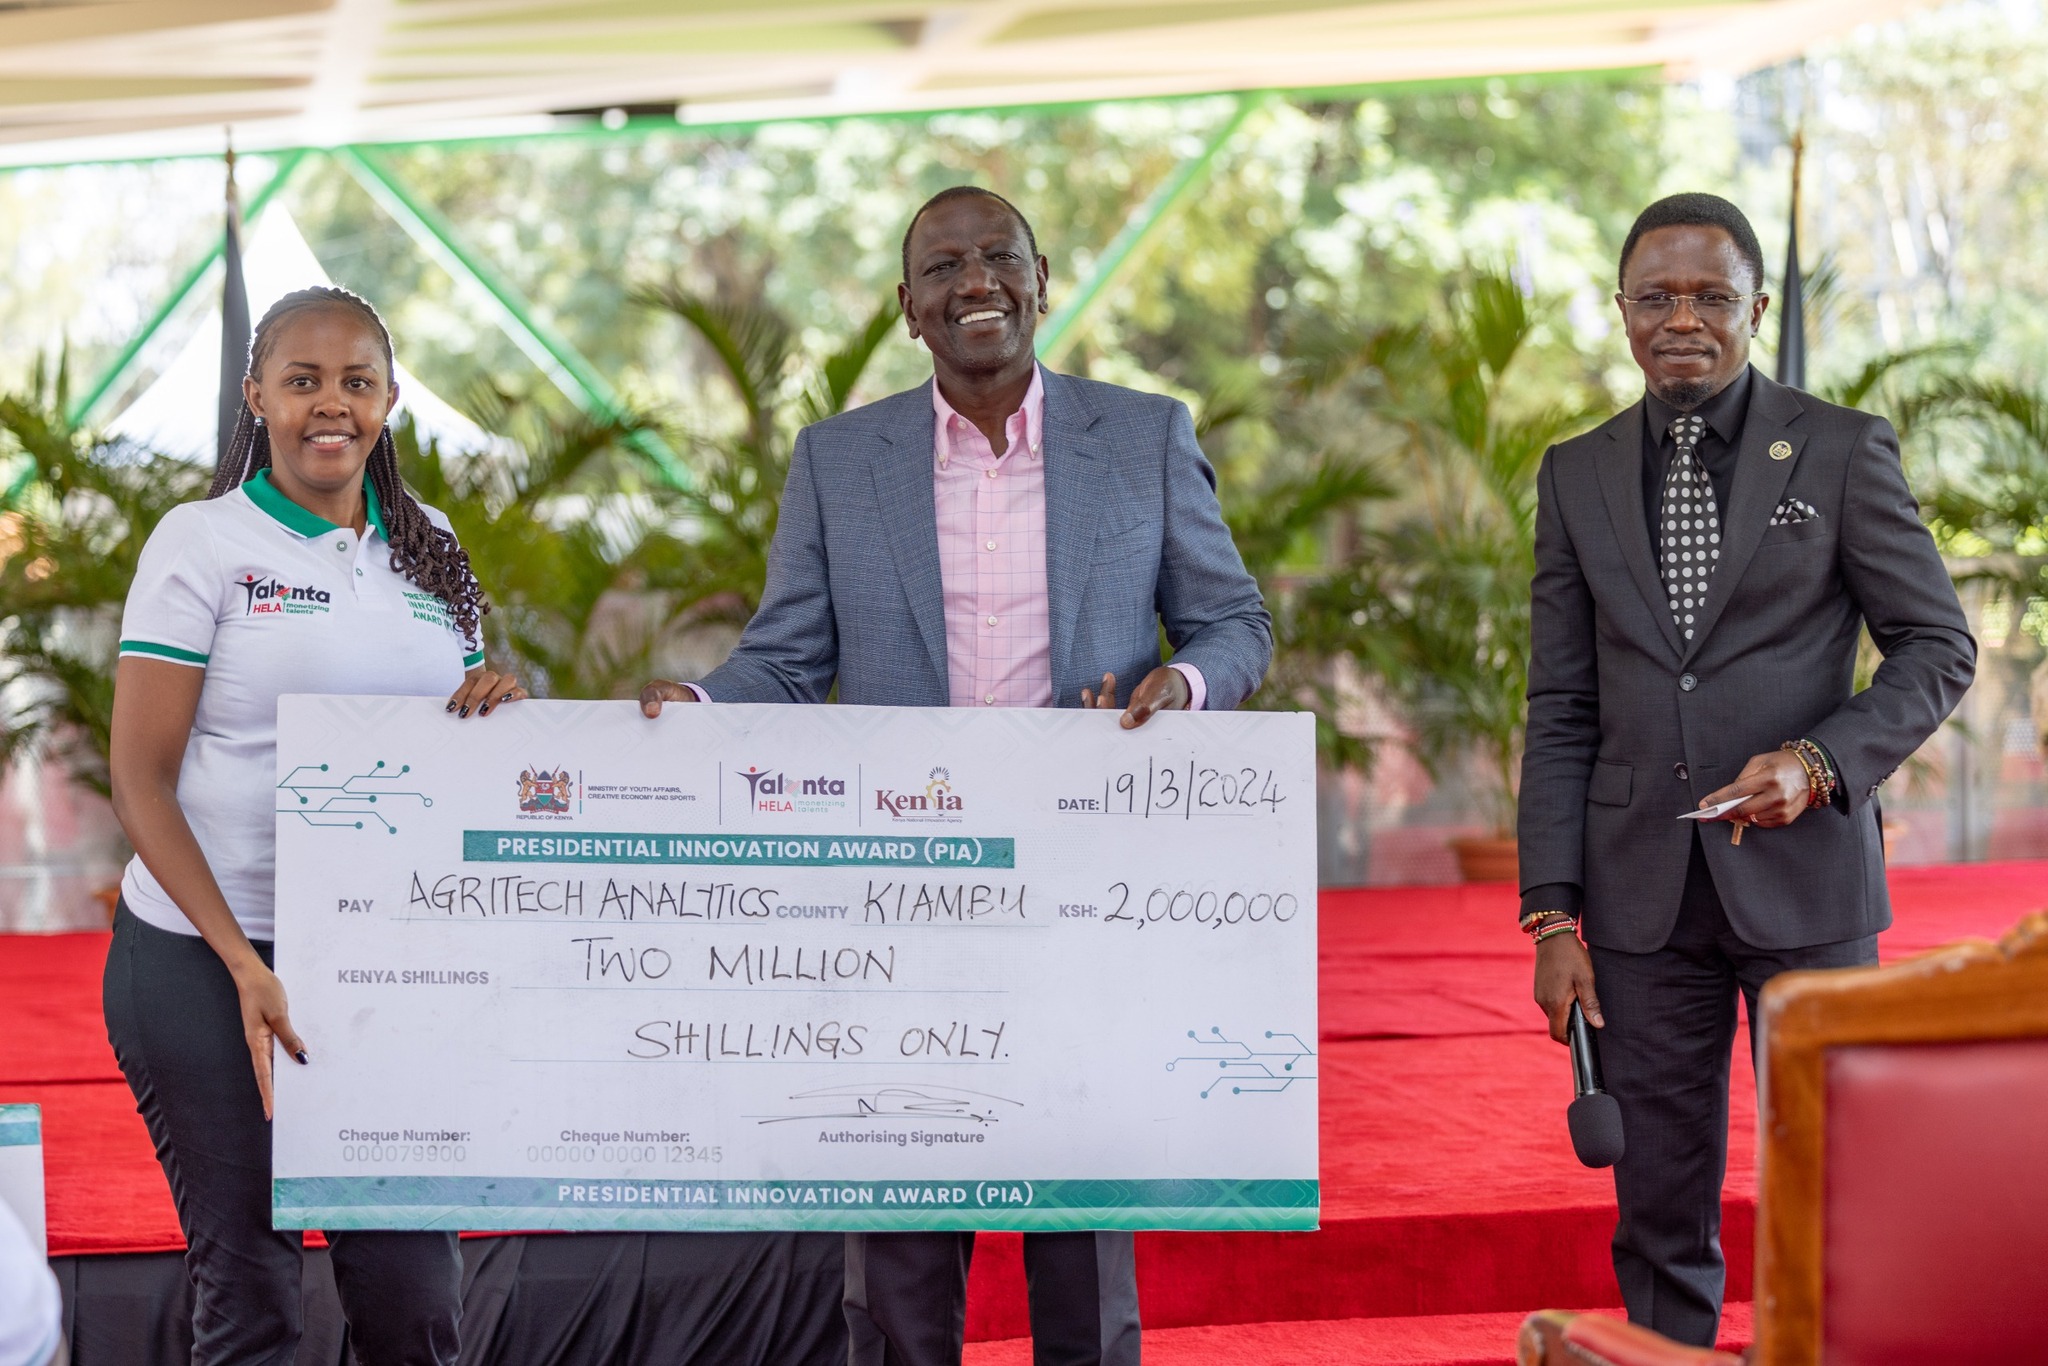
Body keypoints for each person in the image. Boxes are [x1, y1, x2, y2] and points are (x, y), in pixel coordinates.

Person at [640, 185, 1272, 1366]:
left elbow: (1232, 622)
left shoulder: (1143, 436)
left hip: (1083, 884)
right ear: (906, 306)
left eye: (997, 257)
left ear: (1040, 279)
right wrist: (701, 706)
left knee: (1077, 1212)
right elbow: (786, 659)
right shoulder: (839, 460)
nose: (974, 281)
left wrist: (1180, 687)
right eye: (943, 266)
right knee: (901, 1220)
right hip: (899, 891)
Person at [1518, 193, 1975, 1346]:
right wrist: (1550, 916)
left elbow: (1935, 644)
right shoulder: (1572, 474)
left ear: (1756, 308)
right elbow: (1560, 704)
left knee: (1839, 1179)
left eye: (1709, 296)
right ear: (1620, 310)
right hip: (1636, 898)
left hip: (1807, 884)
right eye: (1655, 297)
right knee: (1656, 1201)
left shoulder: (1838, 448)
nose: (1681, 319)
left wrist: (1821, 763)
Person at [105, 286, 527, 1365]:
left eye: (355, 381)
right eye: (302, 381)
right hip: (205, 959)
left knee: (411, 1295)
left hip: (379, 962)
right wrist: (245, 962)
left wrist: (496, 707)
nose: (330, 404)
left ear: (389, 399)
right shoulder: (203, 542)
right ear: (256, 396)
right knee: (251, 1292)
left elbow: (453, 738)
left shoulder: (431, 543)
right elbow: (140, 780)